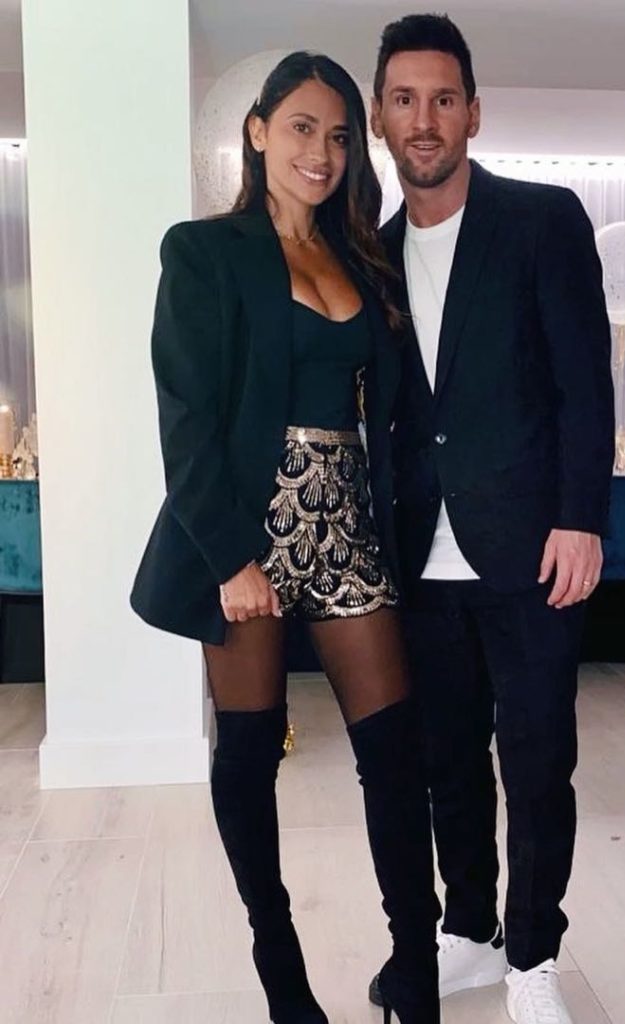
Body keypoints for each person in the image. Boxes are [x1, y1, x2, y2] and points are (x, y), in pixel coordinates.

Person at [130, 51, 440, 1024]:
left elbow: (397, 407)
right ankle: (282, 971)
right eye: (303, 127)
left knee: (394, 751)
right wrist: (229, 558)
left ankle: (415, 964)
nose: (323, 151)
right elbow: (185, 417)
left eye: (339, 136)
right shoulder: (204, 251)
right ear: (258, 131)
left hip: (346, 523)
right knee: (250, 753)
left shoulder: (364, 258)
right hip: (247, 534)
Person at [366, 15, 615, 1024]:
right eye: (404, 99)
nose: (424, 119)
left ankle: (534, 955)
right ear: (380, 117)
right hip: (416, 554)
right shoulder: (369, 254)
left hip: (532, 548)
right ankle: (467, 931)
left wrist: (582, 516)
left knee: (539, 759)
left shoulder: (541, 220)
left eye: (442, 98)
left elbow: (583, 384)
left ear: (473, 111)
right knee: (447, 760)